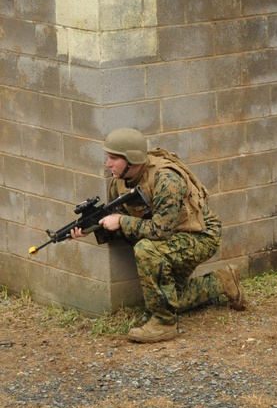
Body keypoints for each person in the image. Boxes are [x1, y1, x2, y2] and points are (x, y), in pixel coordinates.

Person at [70, 128, 246, 343]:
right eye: (108, 157)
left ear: (132, 160)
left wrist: (121, 221)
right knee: (171, 298)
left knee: (146, 250)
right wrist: (90, 227)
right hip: (174, 239)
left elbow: (159, 231)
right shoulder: (121, 180)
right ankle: (222, 281)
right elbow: (124, 226)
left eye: (113, 158)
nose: (108, 164)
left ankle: (164, 323)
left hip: (200, 236)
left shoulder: (166, 178)